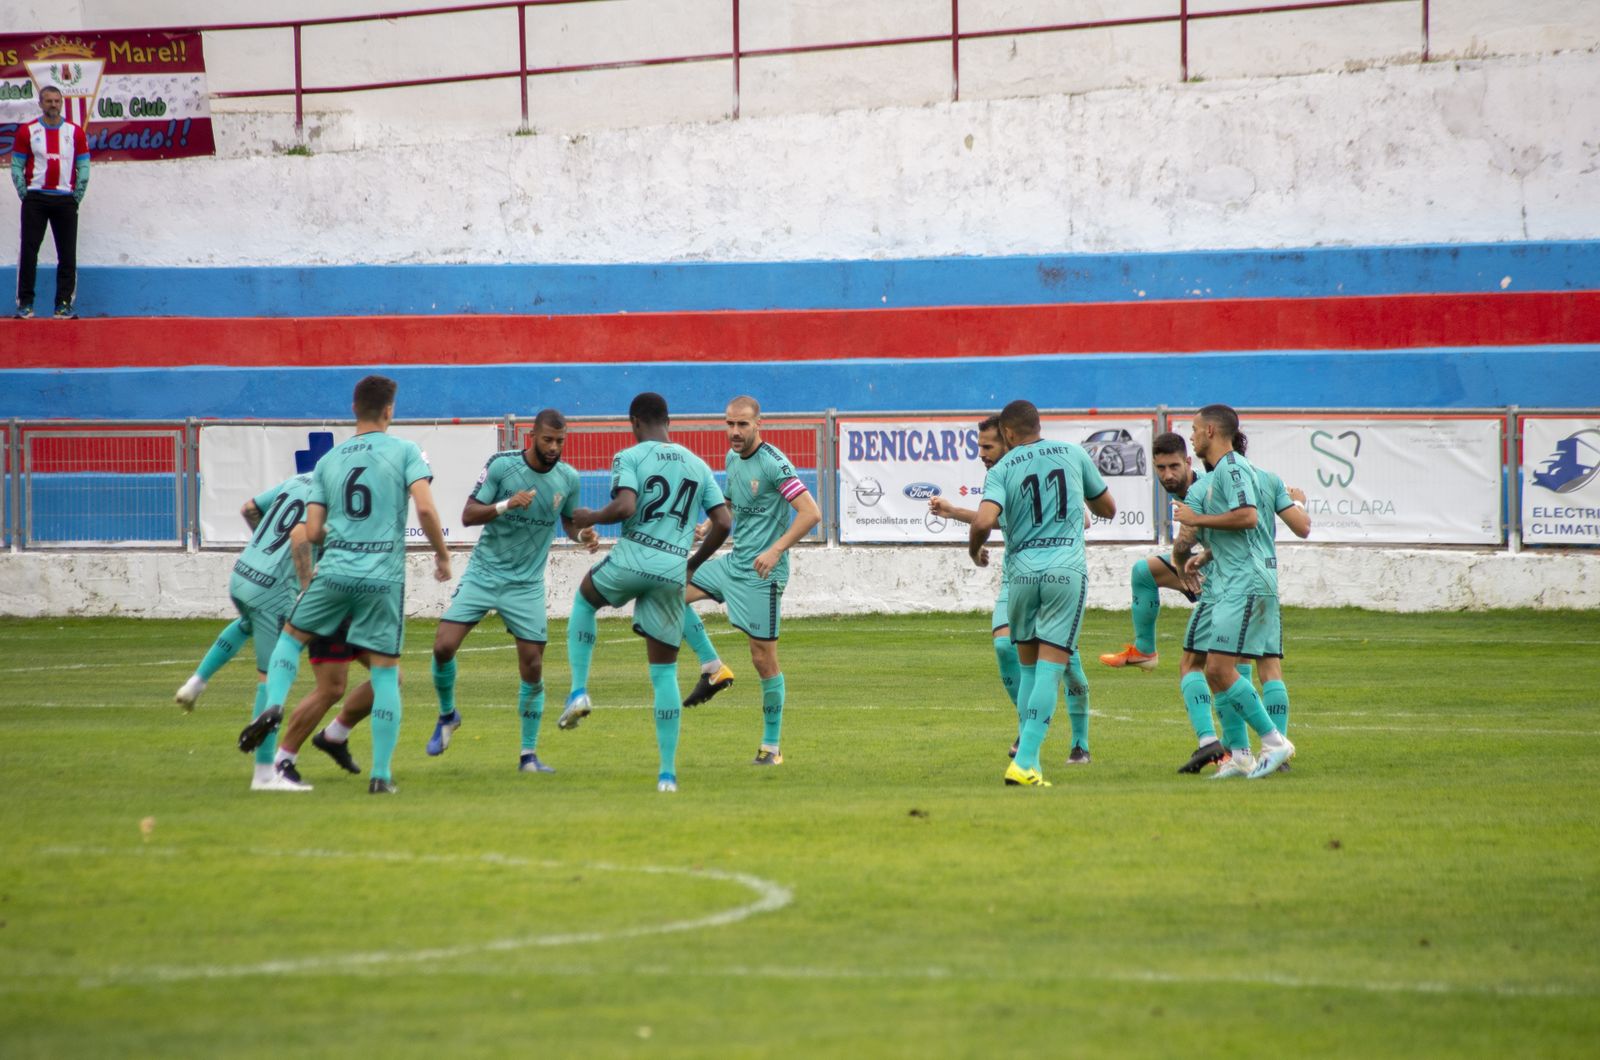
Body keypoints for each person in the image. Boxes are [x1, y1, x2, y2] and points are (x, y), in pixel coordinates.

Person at [238, 374, 452, 795]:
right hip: (381, 578)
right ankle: (381, 776)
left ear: (353, 409)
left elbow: (313, 530)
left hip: (333, 572)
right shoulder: (406, 450)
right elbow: (425, 509)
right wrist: (441, 555)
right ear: (390, 410)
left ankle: (276, 702)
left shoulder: (328, 462)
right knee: (387, 675)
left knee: (290, 639)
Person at [556, 392, 731, 793]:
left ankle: (579, 691)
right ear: (668, 421)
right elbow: (722, 521)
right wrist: (693, 563)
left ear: (634, 422)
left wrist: (591, 516)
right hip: (672, 569)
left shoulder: (629, 457)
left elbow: (624, 507)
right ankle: (667, 775)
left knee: (585, 600)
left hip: (634, 559)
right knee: (664, 673)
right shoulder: (697, 464)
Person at [425, 409, 599, 773]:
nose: (554, 448)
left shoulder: (568, 478)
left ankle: (528, 756)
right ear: (531, 436)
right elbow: (468, 515)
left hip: (526, 584)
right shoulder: (502, 466)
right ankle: (447, 715)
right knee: (443, 646)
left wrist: (582, 535)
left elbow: (567, 523)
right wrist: (507, 504)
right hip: (484, 573)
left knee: (533, 667)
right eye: (548, 440)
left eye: (560, 441)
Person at [969, 400, 1115, 787]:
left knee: (1029, 671)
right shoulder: (1072, 453)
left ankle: (1029, 757)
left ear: (1010, 434)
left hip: (1020, 576)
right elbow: (1108, 508)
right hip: (1065, 572)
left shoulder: (1001, 469)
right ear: (1037, 425)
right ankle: (1027, 762)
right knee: (1053, 670)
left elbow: (984, 520)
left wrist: (973, 550)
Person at [934, 416, 1095, 765]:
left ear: (1008, 440)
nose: (981, 454)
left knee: (1068, 664)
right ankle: (1028, 729)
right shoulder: (1003, 473)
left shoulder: (1042, 465)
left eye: (987, 446)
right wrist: (953, 512)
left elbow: (1083, 517)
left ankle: (1080, 743)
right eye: (978, 447)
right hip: (1016, 577)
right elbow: (991, 517)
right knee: (1004, 645)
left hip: (1055, 573)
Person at [677, 396, 820, 766]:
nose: (735, 432)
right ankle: (713, 669)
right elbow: (731, 498)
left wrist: (775, 550)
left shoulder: (774, 463)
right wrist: (710, 524)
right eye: (729, 424)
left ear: (759, 424)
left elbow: (811, 513)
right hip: (734, 564)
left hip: (762, 574)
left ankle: (771, 748)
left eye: (742, 424)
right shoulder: (731, 459)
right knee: (668, 591)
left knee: (763, 659)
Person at [1172, 403, 1296, 780]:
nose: (1190, 436)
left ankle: (1275, 743)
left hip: (1244, 583)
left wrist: (1196, 520)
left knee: (1221, 667)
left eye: (1194, 429)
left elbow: (1249, 516)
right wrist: (1206, 555)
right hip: (1231, 581)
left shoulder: (1235, 467)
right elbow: (1239, 530)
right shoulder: (1220, 475)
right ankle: (1241, 754)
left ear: (1211, 431)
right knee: (1215, 669)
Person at [222, 473, 317, 791]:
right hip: (275, 591)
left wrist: (264, 550)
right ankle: (264, 773)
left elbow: (249, 508)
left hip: (246, 575)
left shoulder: (298, 480)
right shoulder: (329, 488)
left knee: (248, 631)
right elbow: (300, 533)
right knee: (270, 676)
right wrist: (306, 587)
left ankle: (196, 683)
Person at [1099, 432, 1205, 672]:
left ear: (1188, 463)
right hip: (1214, 561)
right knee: (1144, 572)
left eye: (1174, 466)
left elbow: (1197, 532)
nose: (1167, 474)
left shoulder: (1202, 488)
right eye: (1161, 467)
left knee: (1215, 665)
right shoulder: (1181, 488)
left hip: (1234, 571)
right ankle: (1144, 651)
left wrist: (1185, 560)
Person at [12, 85, 89, 319]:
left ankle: (63, 305)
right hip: (35, 199)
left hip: (65, 200)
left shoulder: (75, 132)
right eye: (48, 101)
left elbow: (83, 166)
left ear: (62, 103)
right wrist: (24, 192)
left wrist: (77, 196)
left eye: (57, 101)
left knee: (67, 254)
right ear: (40, 103)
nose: (53, 105)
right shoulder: (28, 131)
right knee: (29, 251)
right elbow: (17, 165)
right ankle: (25, 304)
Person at [270, 618, 375, 783]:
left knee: (389, 678)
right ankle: (282, 760)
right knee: (330, 689)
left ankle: (334, 736)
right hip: (333, 614)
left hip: (359, 614)